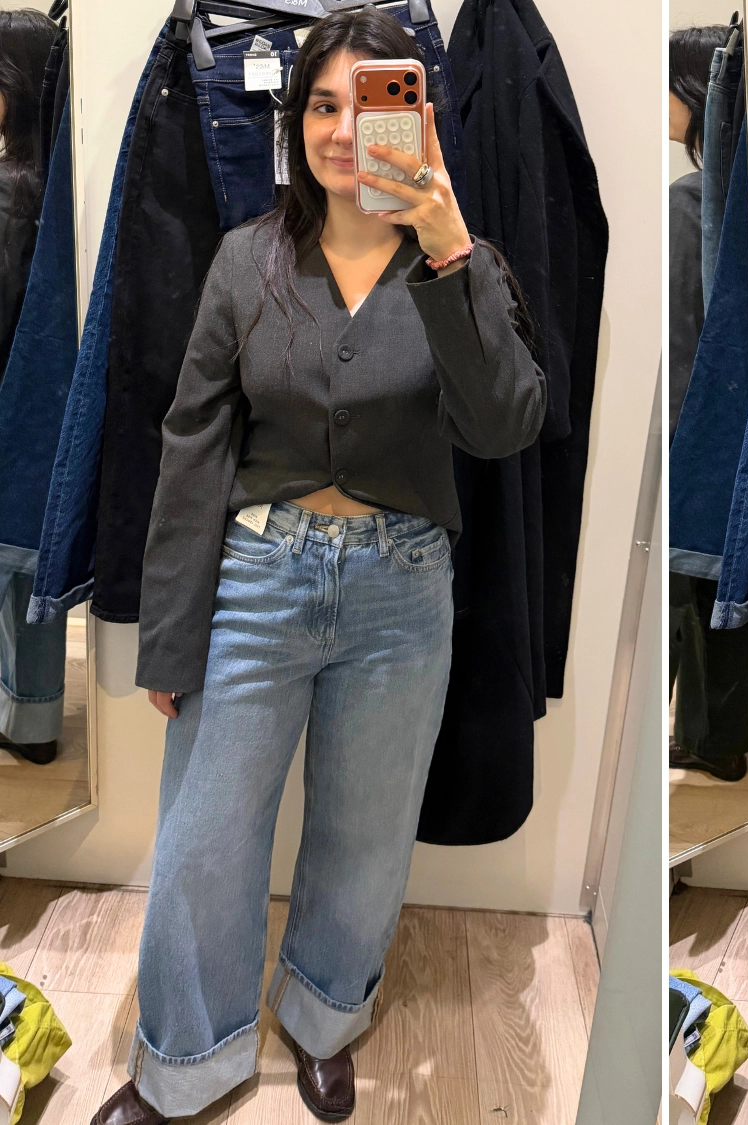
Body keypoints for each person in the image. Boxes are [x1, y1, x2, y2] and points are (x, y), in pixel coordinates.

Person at [96, 9, 543, 1124]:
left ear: (418, 117)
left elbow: (504, 425)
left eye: (373, 104)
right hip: (258, 578)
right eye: (324, 105)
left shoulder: (461, 263)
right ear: (293, 121)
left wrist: (449, 245)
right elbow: (192, 446)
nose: (346, 130)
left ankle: (325, 1015)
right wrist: (170, 633)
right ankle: (185, 1062)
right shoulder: (247, 261)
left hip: (403, 589)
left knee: (365, 831)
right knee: (205, 838)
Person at [666, 22, 748, 784]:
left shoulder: (686, 203)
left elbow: (681, 334)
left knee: (690, 588)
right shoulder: (742, 202)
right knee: (719, 584)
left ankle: (705, 737)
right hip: (740, 410)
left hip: (695, 413)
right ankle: (714, 734)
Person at [0, 8, 64, 767]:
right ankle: (35, 721)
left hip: (7, 395)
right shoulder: (63, 185)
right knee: (32, 580)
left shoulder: (7, 189)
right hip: (45, 406)